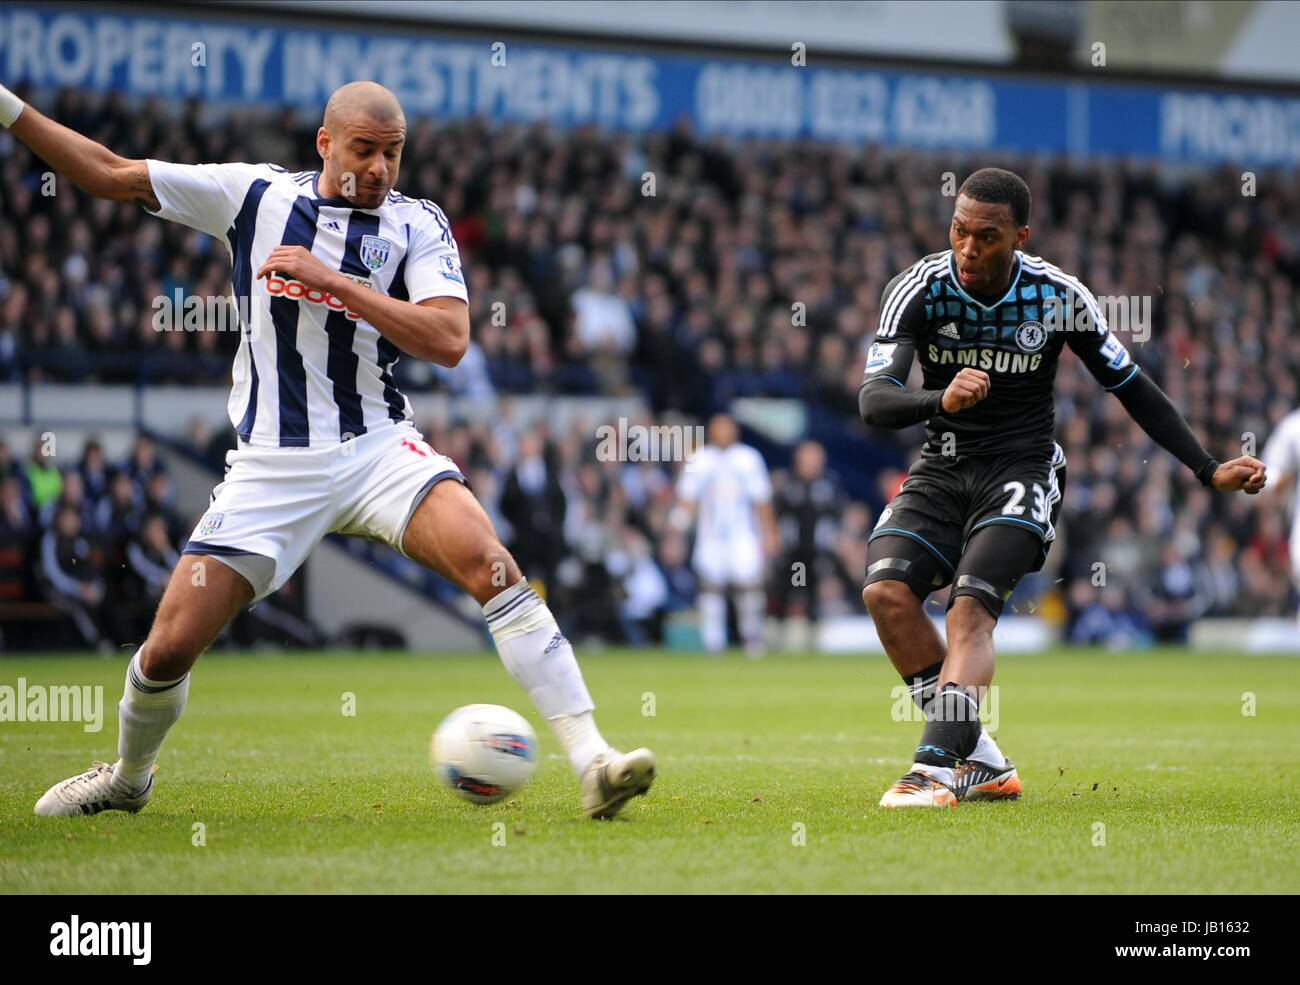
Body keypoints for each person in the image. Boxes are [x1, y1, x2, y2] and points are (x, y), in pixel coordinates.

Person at [1, 79, 654, 820]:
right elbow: (109, 172)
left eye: (393, 153)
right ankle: (127, 776)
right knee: (167, 650)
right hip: (273, 465)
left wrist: (333, 281)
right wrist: (9, 110)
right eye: (364, 150)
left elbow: (448, 339)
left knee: (493, 565)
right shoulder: (253, 196)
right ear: (326, 143)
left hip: (379, 447)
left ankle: (594, 761)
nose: (379, 168)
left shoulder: (418, 224)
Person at [858, 168, 1266, 808]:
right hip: (940, 469)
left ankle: (933, 772)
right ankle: (984, 761)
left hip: (1020, 471)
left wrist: (1206, 466)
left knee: (970, 610)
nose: (968, 249)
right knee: (886, 593)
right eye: (960, 232)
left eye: (986, 238)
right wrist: (939, 397)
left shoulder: (1060, 296)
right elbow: (875, 401)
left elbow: (1132, 387)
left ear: (1019, 236)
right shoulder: (918, 288)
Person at [673, 414, 779, 657]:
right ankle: (713, 642)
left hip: (743, 534)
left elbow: (762, 501)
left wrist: (770, 533)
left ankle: (751, 636)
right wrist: (676, 527)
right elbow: (687, 499)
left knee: (748, 584)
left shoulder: (748, 458)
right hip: (710, 535)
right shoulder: (699, 459)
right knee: (710, 586)